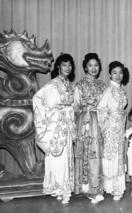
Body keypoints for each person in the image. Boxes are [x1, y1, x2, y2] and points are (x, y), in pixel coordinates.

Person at [33, 53, 76, 205]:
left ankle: (62, 189)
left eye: (70, 65)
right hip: (56, 126)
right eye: (64, 65)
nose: (67, 68)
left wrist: (69, 110)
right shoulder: (53, 84)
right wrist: (54, 113)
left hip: (67, 126)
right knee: (57, 158)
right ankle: (61, 189)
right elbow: (37, 99)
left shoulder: (69, 85)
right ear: (58, 66)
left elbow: (72, 105)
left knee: (65, 158)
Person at [73, 53, 106, 204]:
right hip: (85, 121)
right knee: (87, 153)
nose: (94, 68)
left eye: (96, 65)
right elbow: (75, 106)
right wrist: (85, 111)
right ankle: (88, 189)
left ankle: (97, 188)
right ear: (85, 67)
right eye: (90, 65)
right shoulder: (79, 85)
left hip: (99, 121)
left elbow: (106, 106)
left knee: (98, 153)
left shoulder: (102, 85)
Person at [97, 61, 128, 201]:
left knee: (119, 155)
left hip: (120, 127)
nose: (118, 75)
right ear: (110, 74)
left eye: (120, 73)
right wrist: (105, 128)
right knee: (111, 155)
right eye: (115, 73)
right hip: (110, 128)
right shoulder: (108, 90)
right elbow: (101, 109)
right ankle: (111, 187)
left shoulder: (121, 91)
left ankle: (118, 188)